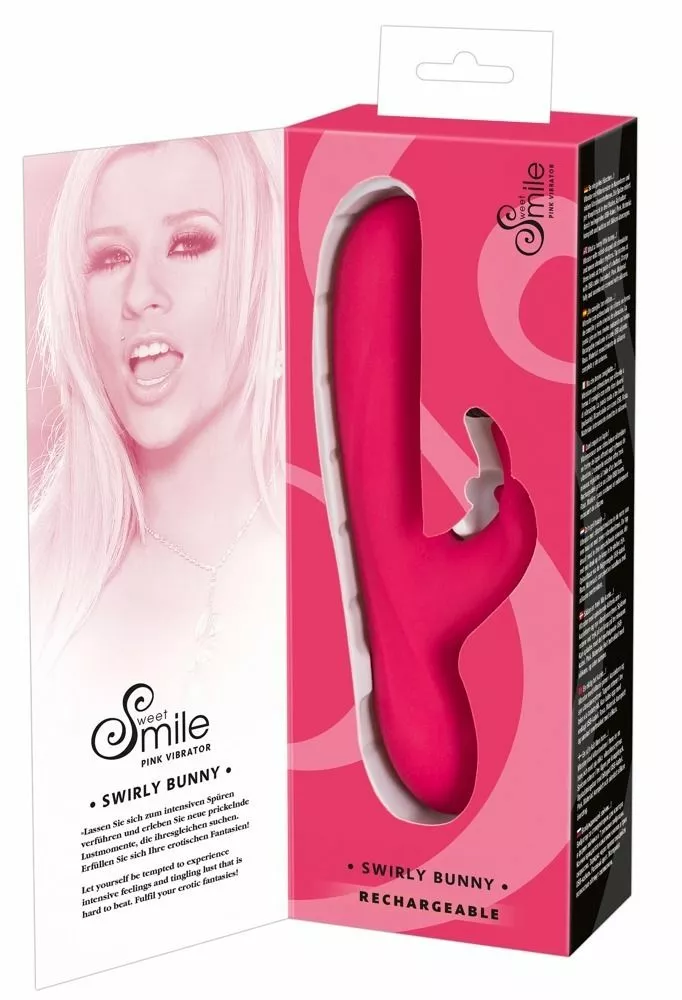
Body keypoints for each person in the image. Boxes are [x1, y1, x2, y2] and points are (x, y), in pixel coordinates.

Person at [28, 131, 284, 684]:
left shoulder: (340, 552)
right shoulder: (30, 587)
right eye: (111, 257)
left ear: (263, 274)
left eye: (187, 244)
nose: (140, 293)